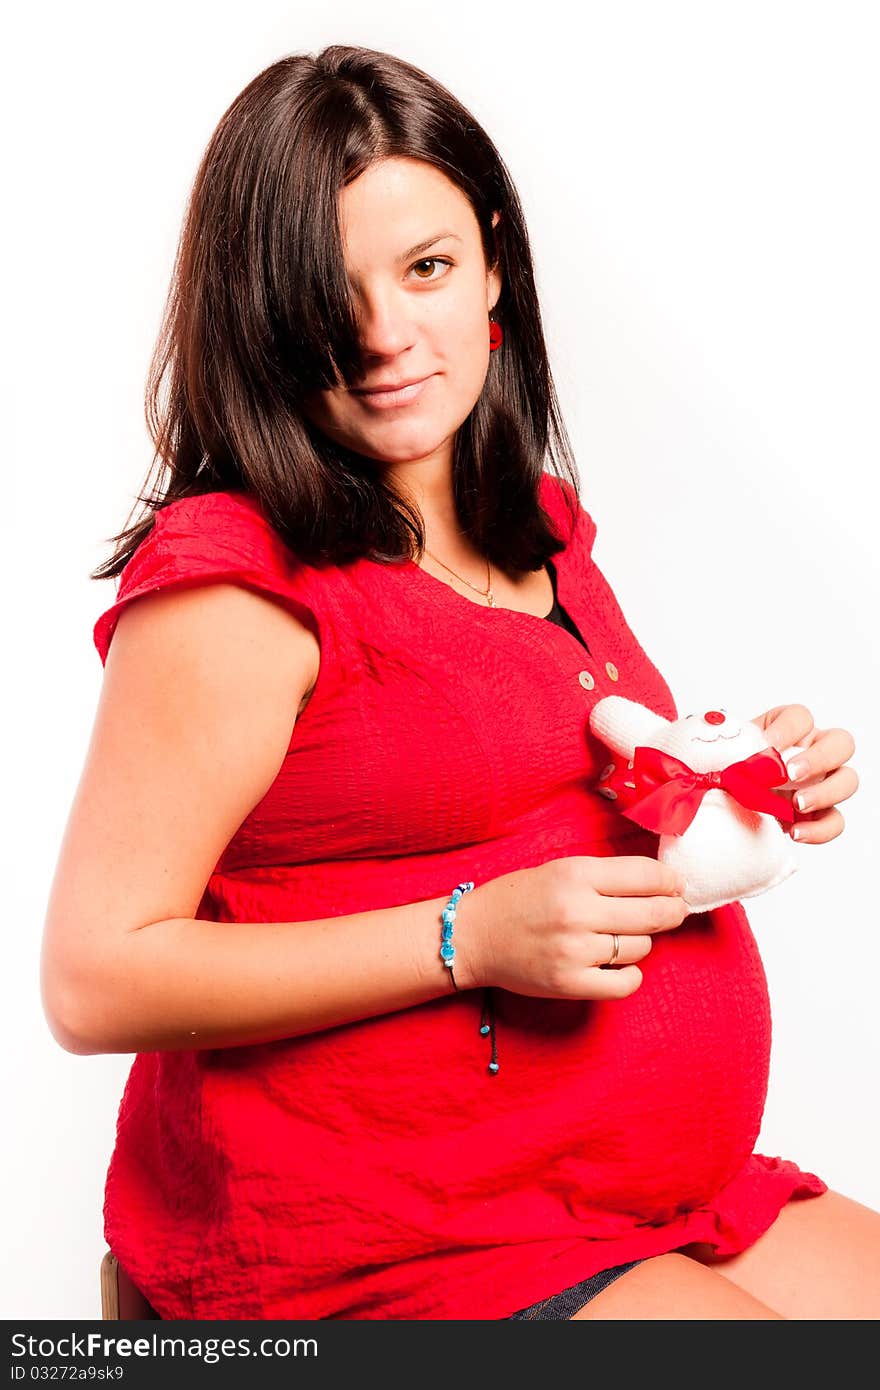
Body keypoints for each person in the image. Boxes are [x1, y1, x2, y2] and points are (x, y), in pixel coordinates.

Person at [40, 44, 874, 1321]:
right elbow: (94, 978)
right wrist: (463, 938)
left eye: (424, 268)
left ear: (491, 258)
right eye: (327, 293)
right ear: (259, 312)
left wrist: (736, 780)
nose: (383, 335)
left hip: (624, 1201)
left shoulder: (539, 529)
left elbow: (554, 780)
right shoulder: (234, 586)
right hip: (388, 1251)